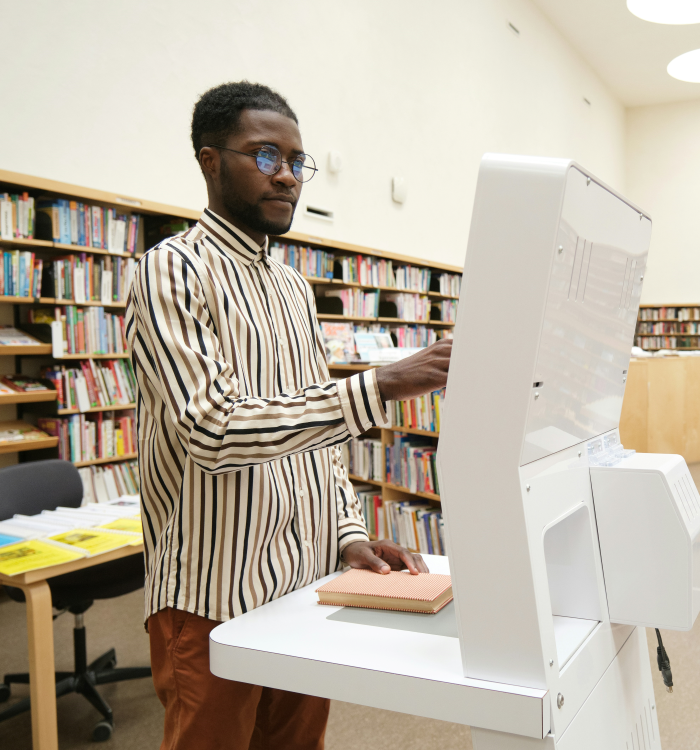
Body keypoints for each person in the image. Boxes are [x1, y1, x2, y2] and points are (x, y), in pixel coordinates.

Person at [126, 81, 452, 750]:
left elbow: (315, 435)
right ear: (210, 161)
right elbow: (212, 430)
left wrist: (347, 533)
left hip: (304, 587)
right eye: (265, 155)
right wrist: (378, 386)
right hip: (210, 593)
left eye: (296, 161)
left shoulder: (294, 289)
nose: (287, 176)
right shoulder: (170, 272)